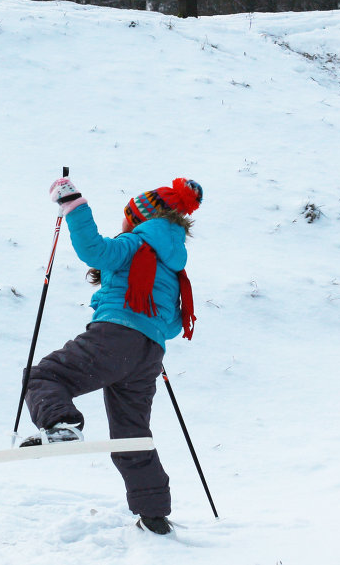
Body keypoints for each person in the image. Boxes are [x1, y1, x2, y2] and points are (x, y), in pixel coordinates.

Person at [21, 175, 204, 536]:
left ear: (140, 218)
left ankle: (61, 425)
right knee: (131, 435)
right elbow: (170, 324)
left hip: (115, 337)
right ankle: (154, 516)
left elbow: (95, 251)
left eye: (127, 216)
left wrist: (73, 206)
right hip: (149, 354)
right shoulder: (173, 264)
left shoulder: (136, 242)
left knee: (45, 377)